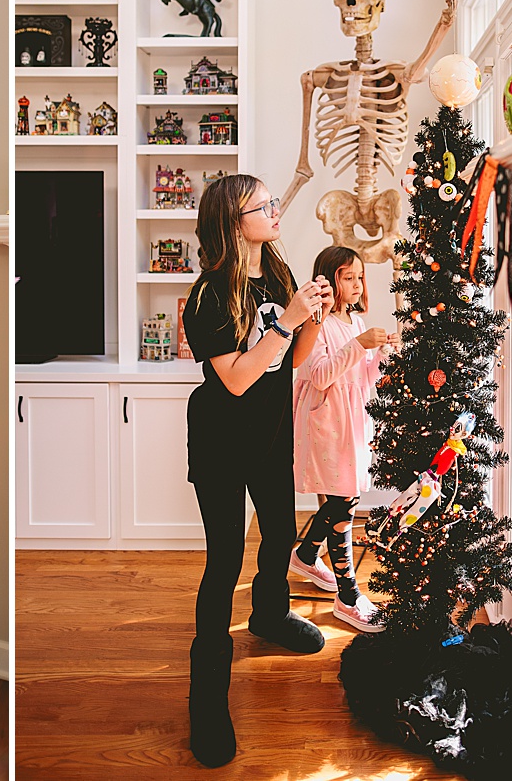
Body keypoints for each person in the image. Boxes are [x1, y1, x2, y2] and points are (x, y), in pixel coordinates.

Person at [179, 174, 332, 768]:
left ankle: (268, 615)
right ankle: (207, 698)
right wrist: (288, 321)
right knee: (224, 560)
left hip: (272, 433)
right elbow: (238, 379)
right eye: (261, 206)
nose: (274, 211)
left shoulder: (278, 274)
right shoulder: (208, 295)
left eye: (272, 202)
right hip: (221, 439)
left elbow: (292, 362)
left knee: (279, 534)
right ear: (231, 222)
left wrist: (316, 314)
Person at [291, 246, 399, 633]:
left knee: (343, 494)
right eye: (348, 277)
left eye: (360, 277)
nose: (357, 284)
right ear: (330, 279)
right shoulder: (316, 322)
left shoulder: (356, 320)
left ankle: (305, 555)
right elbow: (319, 375)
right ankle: (347, 594)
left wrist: (381, 354)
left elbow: (363, 378)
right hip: (326, 419)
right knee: (343, 501)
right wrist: (360, 346)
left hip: (352, 418)